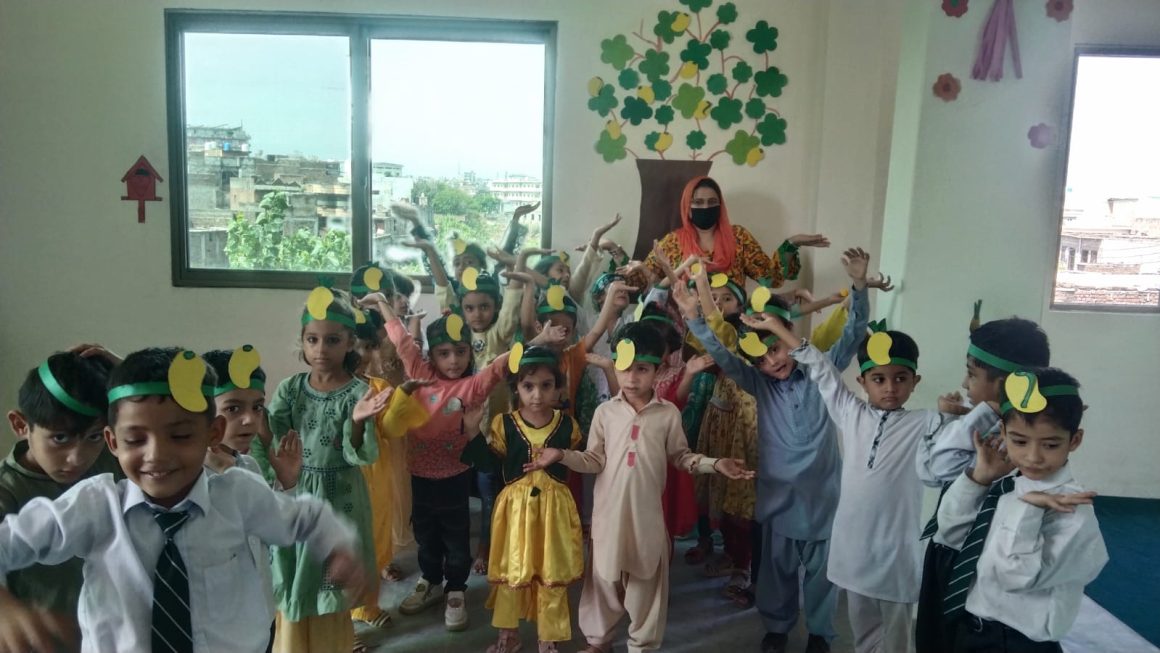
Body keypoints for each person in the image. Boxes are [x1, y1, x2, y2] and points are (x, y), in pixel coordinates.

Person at [0, 347, 367, 653]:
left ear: (213, 432)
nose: (156, 455)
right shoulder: (96, 506)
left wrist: (337, 545)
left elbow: (306, 518)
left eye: (179, 436)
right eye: (135, 440)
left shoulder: (239, 494)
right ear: (112, 442)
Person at [677, 247, 872, 653]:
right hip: (779, 499)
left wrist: (858, 286)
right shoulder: (760, 384)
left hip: (823, 499)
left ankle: (820, 633)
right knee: (776, 571)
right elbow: (723, 354)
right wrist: (694, 317)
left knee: (822, 575)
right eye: (761, 357)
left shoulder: (821, 373)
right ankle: (778, 626)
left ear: (789, 336)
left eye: (776, 348)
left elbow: (853, 333)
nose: (771, 361)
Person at [526, 322, 753, 653]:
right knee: (603, 582)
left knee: (647, 586)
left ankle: (641, 645)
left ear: (657, 370)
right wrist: (561, 455)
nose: (632, 378)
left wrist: (715, 464)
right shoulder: (605, 413)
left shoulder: (668, 414)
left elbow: (681, 456)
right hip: (608, 519)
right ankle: (599, 642)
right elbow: (593, 460)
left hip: (647, 520)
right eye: (625, 368)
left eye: (642, 369)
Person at [743, 314, 950, 653]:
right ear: (862, 381)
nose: (890, 387)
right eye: (879, 379)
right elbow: (820, 367)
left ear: (915, 381)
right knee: (863, 630)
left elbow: (954, 452)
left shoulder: (926, 422)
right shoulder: (851, 412)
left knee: (896, 636)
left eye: (900, 378)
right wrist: (777, 329)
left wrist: (953, 414)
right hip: (854, 549)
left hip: (896, 552)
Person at [363, 293, 510, 632]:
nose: (453, 360)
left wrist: (540, 341)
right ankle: (430, 579)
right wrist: (383, 303)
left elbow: (500, 365)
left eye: (461, 352)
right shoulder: (420, 375)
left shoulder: (472, 387)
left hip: (455, 477)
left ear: (470, 353)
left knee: (456, 537)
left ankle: (455, 588)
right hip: (419, 476)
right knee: (425, 534)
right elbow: (402, 342)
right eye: (444, 353)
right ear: (432, 355)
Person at [936, 368, 1107, 652]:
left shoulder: (1072, 509)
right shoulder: (1008, 485)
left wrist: (1027, 510)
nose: (1033, 457)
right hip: (973, 629)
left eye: (1050, 444)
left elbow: (1012, 577)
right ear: (1003, 432)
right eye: (1019, 441)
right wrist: (980, 479)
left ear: (1074, 440)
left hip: (1018, 643)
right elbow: (951, 535)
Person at [263, 288, 390, 653]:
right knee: (295, 571)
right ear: (302, 341)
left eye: (332, 340)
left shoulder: (358, 393)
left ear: (350, 343)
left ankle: (334, 642)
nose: (321, 349)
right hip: (298, 490)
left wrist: (357, 421)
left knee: (331, 576)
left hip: (341, 496)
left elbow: (359, 455)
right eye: (312, 339)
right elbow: (271, 439)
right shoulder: (291, 389)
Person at [915, 318, 1051, 653]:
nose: (964, 383)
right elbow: (931, 471)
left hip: (974, 556)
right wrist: (953, 418)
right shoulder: (981, 421)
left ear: (1003, 385)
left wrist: (977, 415)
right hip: (950, 546)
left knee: (961, 635)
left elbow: (938, 466)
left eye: (972, 374)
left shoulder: (1012, 434)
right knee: (936, 634)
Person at [461, 346, 585, 653]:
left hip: (554, 510)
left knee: (550, 572)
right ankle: (509, 634)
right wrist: (473, 432)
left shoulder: (567, 426)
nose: (537, 395)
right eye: (528, 386)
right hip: (515, 511)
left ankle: (548, 638)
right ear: (516, 387)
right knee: (512, 570)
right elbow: (490, 466)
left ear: (558, 388)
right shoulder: (504, 424)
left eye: (546, 385)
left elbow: (577, 461)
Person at [0, 352, 121, 635]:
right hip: (46, 642)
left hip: (115, 637)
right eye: (60, 438)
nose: (77, 458)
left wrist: (125, 372)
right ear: (21, 425)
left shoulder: (113, 458)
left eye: (93, 437)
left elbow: (166, 415)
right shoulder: (7, 489)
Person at [201, 346, 303, 653]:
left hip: (261, 612)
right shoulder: (189, 479)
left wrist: (287, 482)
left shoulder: (248, 465)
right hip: (218, 630)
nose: (250, 420)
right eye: (233, 408)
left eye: (257, 407)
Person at [623, 176, 827, 291]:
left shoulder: (739, 237)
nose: (706, 207)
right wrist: (617, 255)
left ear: (720, 206)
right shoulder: (672, 243)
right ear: (687, 207)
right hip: (683, 334)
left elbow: (770, 278)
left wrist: (792, 243)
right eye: (698, 202)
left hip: (731, 331)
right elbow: (641, 282)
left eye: (712, 202)